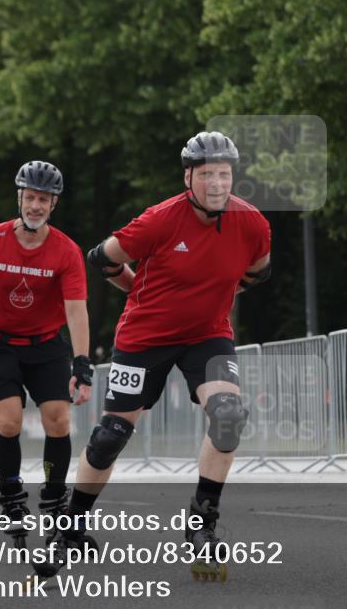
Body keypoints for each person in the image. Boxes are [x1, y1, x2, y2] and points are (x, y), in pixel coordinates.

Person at [67, 130, 271, 569]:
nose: (217, 184)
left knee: (228, 416)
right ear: (188, 178)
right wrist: (135, 287)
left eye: (224, 174)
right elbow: (101, 258)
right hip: (145, 337)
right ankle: (72, 524)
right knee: (109, 438)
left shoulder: (252, 222)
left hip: (207, 335)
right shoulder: (160, 220)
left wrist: (217, 294)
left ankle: (202, 522)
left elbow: (258, 271)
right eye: (206, 175)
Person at [0, 160, 92, 547]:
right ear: (19, 198)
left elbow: (76, 310)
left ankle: (53, 497)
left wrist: (82, 362)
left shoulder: (66, 250)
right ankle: (12, 498)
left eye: (43, 200)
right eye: (29, 197)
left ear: (53, 204)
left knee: (58, 421)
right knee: (10, 422)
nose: (35, 206)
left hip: (46, 344)